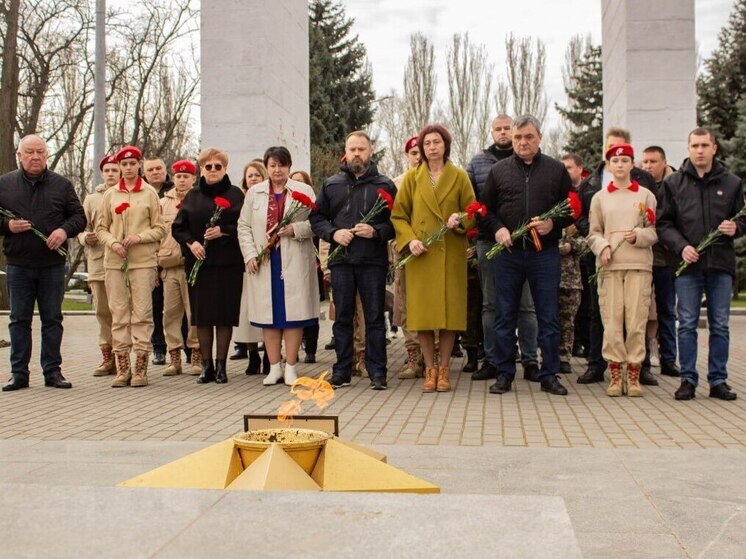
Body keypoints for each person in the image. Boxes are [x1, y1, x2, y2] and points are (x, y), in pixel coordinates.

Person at [480, 115, 573, 396]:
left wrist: (553, 225)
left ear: (539, 138)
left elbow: (571, 209)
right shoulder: (499, 170)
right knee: (505, 315)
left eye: (529, 137)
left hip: (544, 255)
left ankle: (549, 375)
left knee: (547, 315)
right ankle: (504, 374)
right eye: (519, 137)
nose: (523, 142)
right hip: (508, 254)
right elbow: (485, 211)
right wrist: (497, 229)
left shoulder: (556, 171)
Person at [658, 127, 743, 401]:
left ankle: (718, 380)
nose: (700, 150)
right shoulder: (674, 183)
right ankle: (688, 380)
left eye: (705, 145)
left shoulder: (731, 182)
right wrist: (682, 247)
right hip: (688, 267)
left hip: (720, 264)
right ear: (688, 148)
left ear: (714, 148)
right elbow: (663, 223)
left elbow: (742, 218)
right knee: (687, 324)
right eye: (695, 145)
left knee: (720, 324)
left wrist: (736, 227)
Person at [391, 124, 475, 393]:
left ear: (445, 145)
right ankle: (429, 369)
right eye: (427, 143)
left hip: (450, 253)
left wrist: (460, 218)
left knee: (449, 316)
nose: (431, 147)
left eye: (436, 142)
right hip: (421, 255)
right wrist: (410, 239)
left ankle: (444, 370)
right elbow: (398, 215)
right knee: (424, 315)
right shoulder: (412, 179)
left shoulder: (459, 176)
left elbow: (473, 210)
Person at [311, 131, 396, 391]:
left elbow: (396, 223)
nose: (357, 154)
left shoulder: (385, 185)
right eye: (352, 149)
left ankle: (377, 372)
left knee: (374, 317)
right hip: (342, 261)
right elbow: (317, 219)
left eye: (361, 149)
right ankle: (342, 370)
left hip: (372, 260)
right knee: (343, 318)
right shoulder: (332, 184)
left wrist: (376, 231)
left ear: (370, 151)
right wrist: (333, 233)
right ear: (345, 153)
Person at [0, 134, 86, 392]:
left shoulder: (61, 185)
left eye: (40, 152)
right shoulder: (4, 184)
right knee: (18, 321)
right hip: (19, 264)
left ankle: (52, 371)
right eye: (29, 152)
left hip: (51, 265)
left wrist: (63, 231)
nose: (35, 156)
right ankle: (19, 373)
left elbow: (79, 217)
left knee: (52, 319)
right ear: (19, 155)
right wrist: (8, 225)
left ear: (46, 155)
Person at [575, 127, 658, 386]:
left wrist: (640, 236)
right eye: (615, 160)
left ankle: (633, 373)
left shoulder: (645, 195)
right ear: (608, 165)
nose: (620, 164)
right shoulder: (599, 197)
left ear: (632, 164)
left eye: (625, 160)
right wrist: (602, 247)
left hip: (638, 265)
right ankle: (614, 371)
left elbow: (654, 231)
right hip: (609, 265)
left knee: (635, 320)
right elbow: (593, 231)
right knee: (611, 321)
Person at [466, 115, 539, 382]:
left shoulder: (533, 163)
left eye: (508, 129)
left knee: (526, 305)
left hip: (526, 242)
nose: (504, 133)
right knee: (490, 304)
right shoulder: (477, 163)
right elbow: (473, 202)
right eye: (498, 129)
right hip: (489, 240)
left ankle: (530, 360)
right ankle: (493, 360)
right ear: (492, 132)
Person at [239, 146, 319, 386]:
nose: (277, 170)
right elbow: (243, 226)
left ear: (289, 167)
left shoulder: (302, 191)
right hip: (265, 262)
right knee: (269, 316)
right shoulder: (255, 193)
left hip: (293, 259)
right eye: (272, 165)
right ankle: (274, 367)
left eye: (281, 165)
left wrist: (296, 229)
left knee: (292, 316)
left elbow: (316, 222)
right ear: (266, 167)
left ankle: (292, 366)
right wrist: (250, 254)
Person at [171, 148, 245, 385]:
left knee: (224, 315)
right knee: (202, 316)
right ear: (201, 169)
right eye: (208, 166)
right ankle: (207, 365)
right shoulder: (192, 195)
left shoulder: (236, 194)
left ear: (225, 168)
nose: (213, 170)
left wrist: (223, 231)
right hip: (199, 263)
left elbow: (245, 226)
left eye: (218, 166)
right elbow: (178, 227)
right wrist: (191, 244)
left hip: (228, 263)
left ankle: (222, 366)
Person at [95, 145, 166, 388]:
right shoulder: (110, 194)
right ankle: (122, 366)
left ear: (139, 165)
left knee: (143, 314)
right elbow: (101, 228)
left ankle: (140, 368)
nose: (127, 168)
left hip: (142, 262)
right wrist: (113, 242)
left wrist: (139, 237)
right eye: (123, 164)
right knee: (119, 314)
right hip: (115, 262)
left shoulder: (149, 194)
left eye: (131, 164)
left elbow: (160, 228)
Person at [158, 159, 202, 376]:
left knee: (194, 312)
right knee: (171, 313)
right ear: (173, 178)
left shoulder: (198, 199)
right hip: (169, 266)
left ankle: (196, 353)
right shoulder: (163, 203)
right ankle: (174, 356)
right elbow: (157, 233)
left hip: (192, 265)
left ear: (193, 178)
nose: (182, 179)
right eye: (178, 176)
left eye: (186, 176)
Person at [78, 154, 120, 377]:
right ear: (102, 173)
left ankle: (125, 358)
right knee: (103, 312)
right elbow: (80, 227)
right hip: (98, 263)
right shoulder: (91, 198)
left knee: (123, 312)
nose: (111, 173)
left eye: (115, 169)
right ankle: (107, 357)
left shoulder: (128, 194)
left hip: (122, 262)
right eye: (108, 170)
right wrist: (85, 237)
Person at [641, 145, 680, 377]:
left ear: (664, 162)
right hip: (644, 257)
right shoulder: (640, 184)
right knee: (642, 311)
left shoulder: (675, 185)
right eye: (645, 162)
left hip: (665, 258)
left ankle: (669, 360)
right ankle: (644, 361)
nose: (648, 166)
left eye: (653, 162)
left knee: (667, 310)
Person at [393, 136, 424, 380]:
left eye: (420, 151)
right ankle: (413, 355)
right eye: (413, 153)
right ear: (407, 156)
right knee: (406, 306)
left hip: (432, 252)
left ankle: (432, 355)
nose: (418, 156)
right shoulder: (396, 184)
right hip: (404, 252)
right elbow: (392, 221)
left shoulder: (439, 180)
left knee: (431, 303)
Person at [233, 160, 267, 375]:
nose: (253, 178)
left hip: (265, 258)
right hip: (243, 262)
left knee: (266, 310)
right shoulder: (239, 199)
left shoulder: (267, 199)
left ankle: (270, 355)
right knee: (247, 312)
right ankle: (252, 353)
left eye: (257, 175)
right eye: (250, 175)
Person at [290, 170, 327, 365]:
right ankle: (292, 349)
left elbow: (319, 228)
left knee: (309, 306)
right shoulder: (287, 202)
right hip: (289, 259)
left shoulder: (314, 203)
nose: (296, 185)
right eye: (293, 181)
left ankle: (310, 348)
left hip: (311, 258)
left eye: (300, 182)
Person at [143, 157, 173, 366]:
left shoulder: (175, 191)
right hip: (149, 258)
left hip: (172, 258)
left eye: (158, 168)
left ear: (165, 170)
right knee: (154, 306)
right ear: (144, 173)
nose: (155, 172)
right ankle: (158, 348)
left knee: (176, 308)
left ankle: (185, 349)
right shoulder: (141, 193)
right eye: (150, 169)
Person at [560, 153, 589, 363]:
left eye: (569, 167)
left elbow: (589, 238)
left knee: (569, 319)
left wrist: (571, 245)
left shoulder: (585, 198)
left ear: (580, 168)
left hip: (572, 274)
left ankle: (565, 355)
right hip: (550, 273)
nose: (566, 172)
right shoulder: (552, 198)